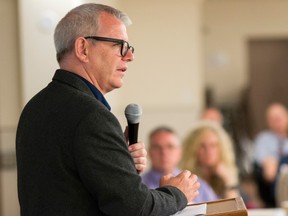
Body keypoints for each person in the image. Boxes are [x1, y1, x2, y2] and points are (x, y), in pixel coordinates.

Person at [16, 4, 200, 216]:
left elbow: (66, 187)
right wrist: (177, 193)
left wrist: (118, 162)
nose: (129, 56)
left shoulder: (35, 108)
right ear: (83, 49)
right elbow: (134, 208)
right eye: (120, 45)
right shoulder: (90, 116)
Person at [142, 126, 218, 203]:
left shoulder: (198, 185)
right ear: (149, 152)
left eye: (170, 147)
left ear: (180, 152)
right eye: (157, 147)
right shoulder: (138, 187)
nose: (164, 152)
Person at [180, 122, 239, 199]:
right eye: (202, 146)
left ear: (222, 149)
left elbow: (235, 209)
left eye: (213, 145)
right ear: (192, 149)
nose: (208, 151)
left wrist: (228, 181)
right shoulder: (185, 178)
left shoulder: (225, 175)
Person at [254, 103, 288, 207]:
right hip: (275, 181)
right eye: (272, 119)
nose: (276, 121)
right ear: (268, 122)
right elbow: (267, 169)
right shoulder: (263, 139)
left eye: (279, 117)